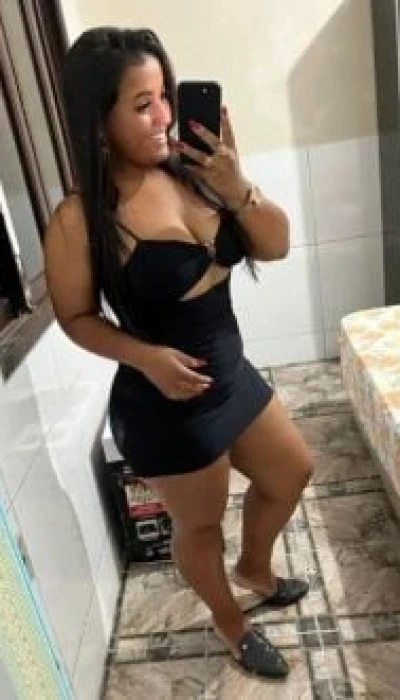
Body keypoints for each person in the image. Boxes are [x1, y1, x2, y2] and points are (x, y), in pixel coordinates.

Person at [44, 27, 314, 680]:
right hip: (168, 403)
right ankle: (230, 621)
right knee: (200, 529)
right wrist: (145, 357)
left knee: (292, 473)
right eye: (143, 105)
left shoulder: (197, 172)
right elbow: (75, 318)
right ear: (99, 122)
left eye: (165, 94)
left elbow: (276, 245)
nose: (164, 115)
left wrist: (237, 183)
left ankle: (254, 571)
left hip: (233, 375)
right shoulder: (81, 218)